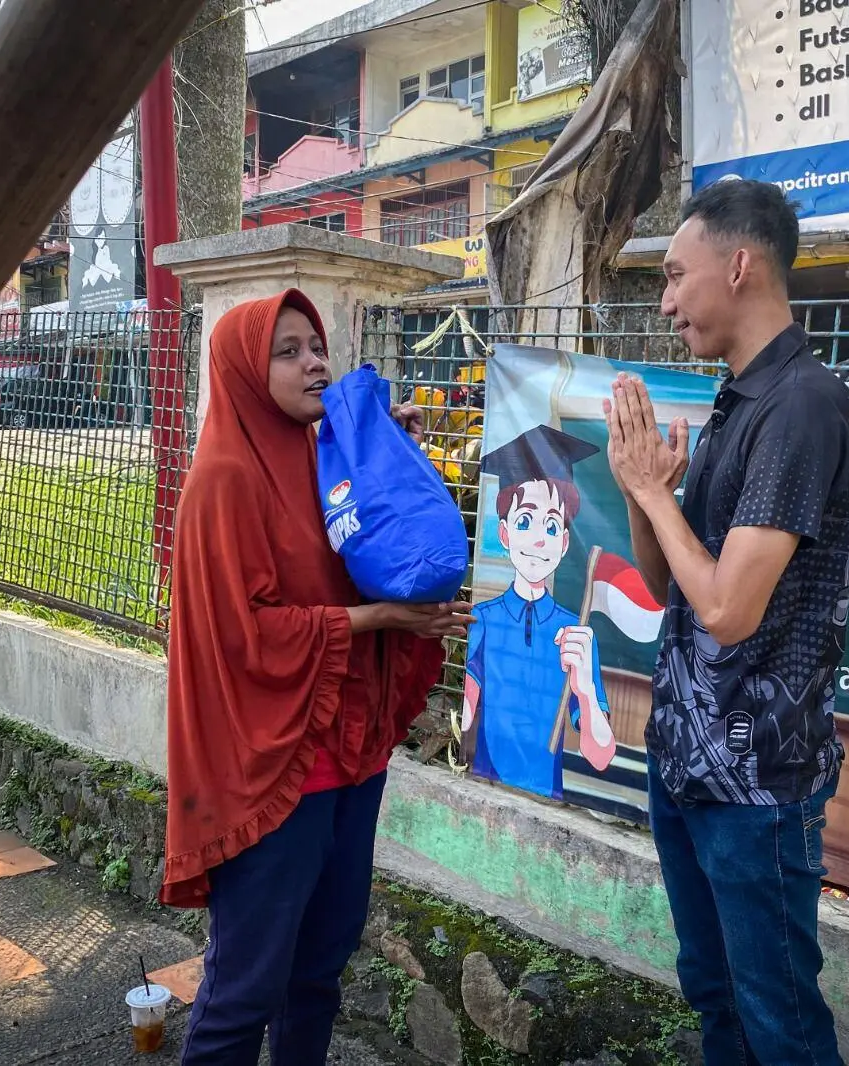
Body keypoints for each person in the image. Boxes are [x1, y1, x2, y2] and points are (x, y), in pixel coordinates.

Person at [161, 289, 473, 1066]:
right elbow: (247, 633)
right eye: (289, 350)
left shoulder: (323, 455)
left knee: (319, 974)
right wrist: (378, 623)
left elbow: (364, 556)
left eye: (317, 346)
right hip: (273, 768)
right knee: (244, 988)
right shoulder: (225, 479)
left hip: (348, 756)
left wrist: (384, 457)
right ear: (243, 367)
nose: (315, 363)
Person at [605, 178, 849, 1066]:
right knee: (715, 997)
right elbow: (666, 579)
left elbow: (728, 609)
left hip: (758, 783)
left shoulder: (802, 404)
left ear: (740, 264)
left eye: (677, 276)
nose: (668, 302)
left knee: (778, 1020)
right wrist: (648, 497)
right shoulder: (739, 399)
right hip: (687, 762)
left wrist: (648, 490)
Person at [463, 425, 618, 799]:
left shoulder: (576, 633)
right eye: (524, 521)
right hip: (484, 785)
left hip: (549, 798)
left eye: (551, 526)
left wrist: (583, 690)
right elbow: (465, 715)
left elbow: (600, 756)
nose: (537, 539)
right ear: (504, 535)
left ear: (564, 543)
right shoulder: (482, 618)